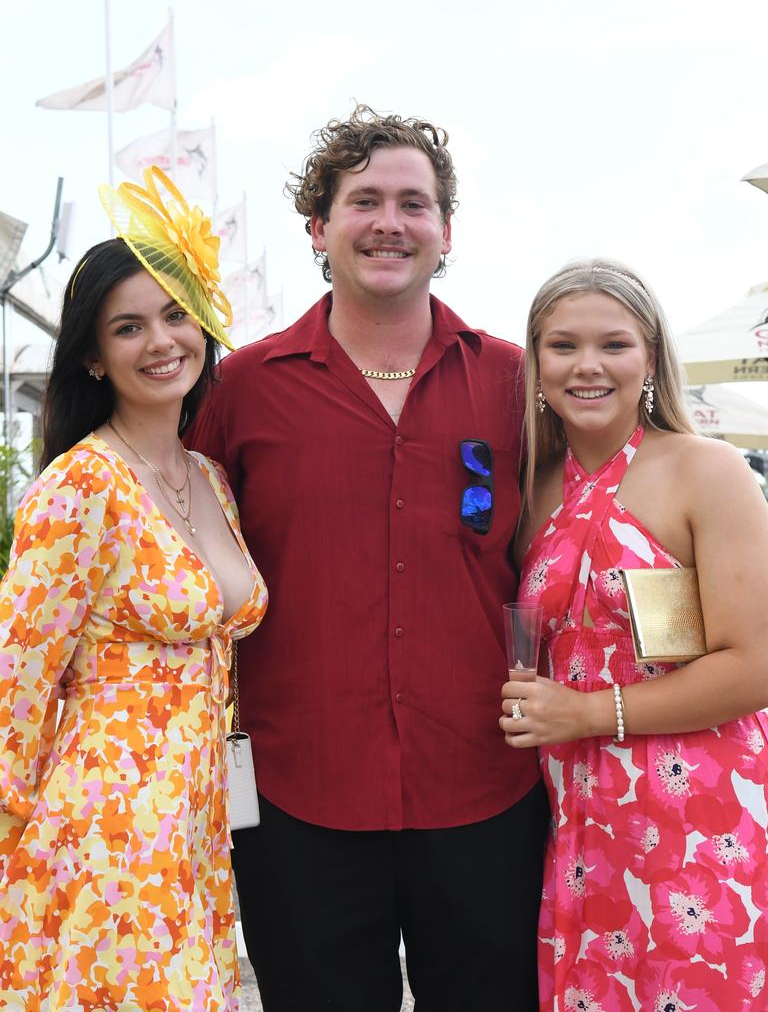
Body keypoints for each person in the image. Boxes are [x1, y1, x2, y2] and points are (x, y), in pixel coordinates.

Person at [187, 104, 549, 1011]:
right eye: (364, 201)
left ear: (446, 230)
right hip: (297, 797)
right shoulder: (240, 388)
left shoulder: (516, 382)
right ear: (319, 226)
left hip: (485, 787)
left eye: (414, 203)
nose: (391, 221)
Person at [0, 167, 267, 1011]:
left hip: (194, 826)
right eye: (129, 326)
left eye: (175, 314)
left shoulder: (211, 478)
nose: (162, 341)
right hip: (101, 832)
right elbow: (17, 680)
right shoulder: (79, 487)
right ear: (92, 351)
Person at [501, 257, 768, 1011]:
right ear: (536, 362)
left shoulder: (706, 470)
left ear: (650, 356)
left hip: (701, 813)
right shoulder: (532, 487)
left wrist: (588, 713)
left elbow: (757, 666)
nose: (588, 366)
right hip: (578, 816)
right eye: (562, 346)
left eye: (614, 345)